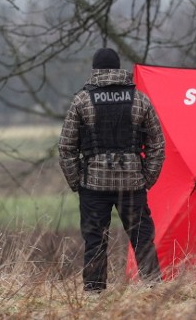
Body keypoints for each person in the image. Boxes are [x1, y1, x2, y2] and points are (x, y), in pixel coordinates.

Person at [58, 47, 166, 293]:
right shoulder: (139, 99)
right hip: (132, 185)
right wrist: (146, 178)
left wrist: (78, 182)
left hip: (93, 187)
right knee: (142, 237)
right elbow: (157, 144)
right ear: (119, 69)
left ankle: (94, 292)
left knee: (95, 240)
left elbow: (66, 147)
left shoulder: (82, 100)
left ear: (95, 70)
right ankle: (153, 289)